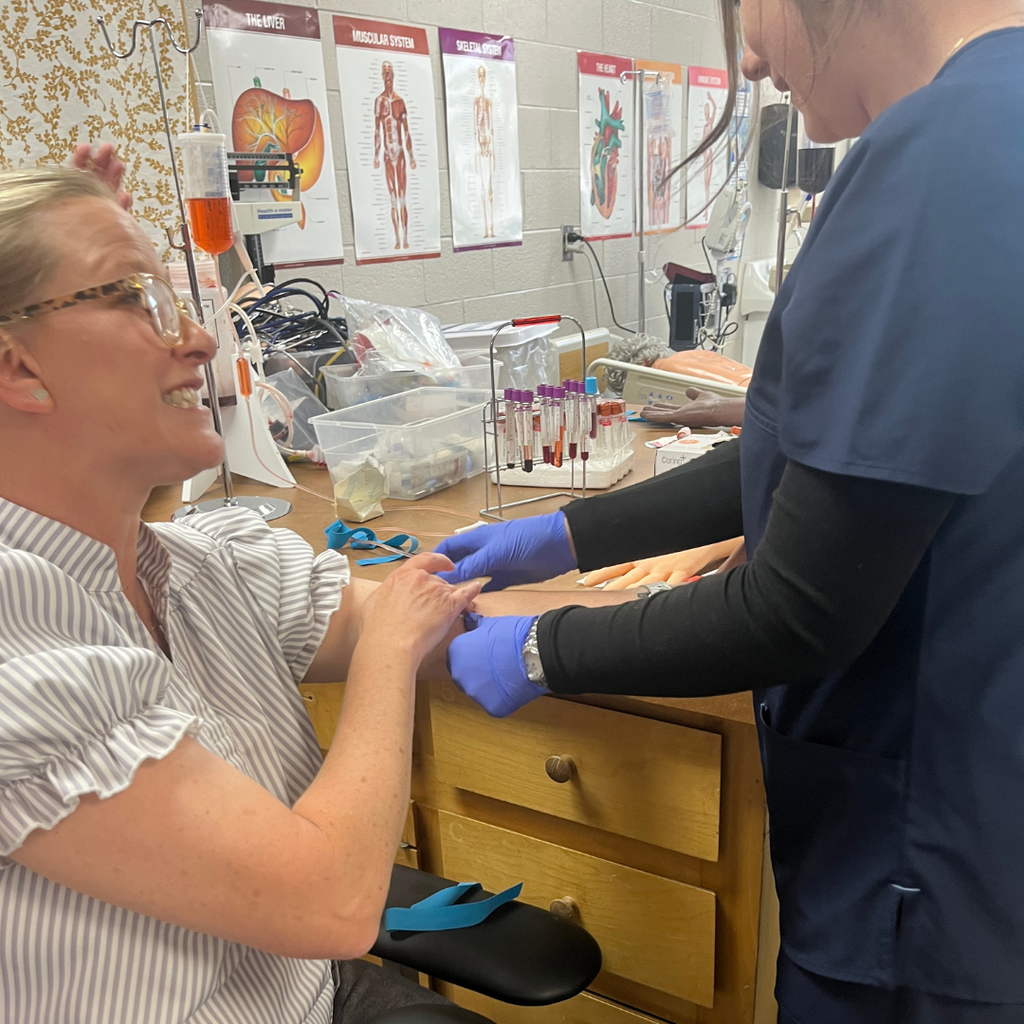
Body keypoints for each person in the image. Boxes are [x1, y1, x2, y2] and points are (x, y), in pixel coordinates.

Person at [437, 1, 1024, 1021]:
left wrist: (541, 650)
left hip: (925, 876)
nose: (748, 57)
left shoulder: (942, 153)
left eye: (742, 10)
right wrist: (568, 532)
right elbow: (824, 454)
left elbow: (797, 608)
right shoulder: (993, 123)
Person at [0, 161, 493, 1024]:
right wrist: (388, 650)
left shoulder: (196, 563)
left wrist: (619, 580)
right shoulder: (18, 638)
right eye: (140, 301)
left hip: (306, 992)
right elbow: (331, 902)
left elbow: (405, 605)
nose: (198, 339)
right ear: (16, 366)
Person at [374, 61, 416, 250]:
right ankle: (397, 239)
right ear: (382, 77)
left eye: (390, 73)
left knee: (402, 198)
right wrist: (376, 156)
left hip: (399, 154)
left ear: (394, 76)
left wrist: (411, 155)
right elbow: (377, 131)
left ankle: (405, 237)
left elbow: (406, 131)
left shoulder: (399, 102)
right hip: (387, 154)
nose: (388, 77)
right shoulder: (379, 102)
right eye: (385, 74)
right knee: (393, 199)